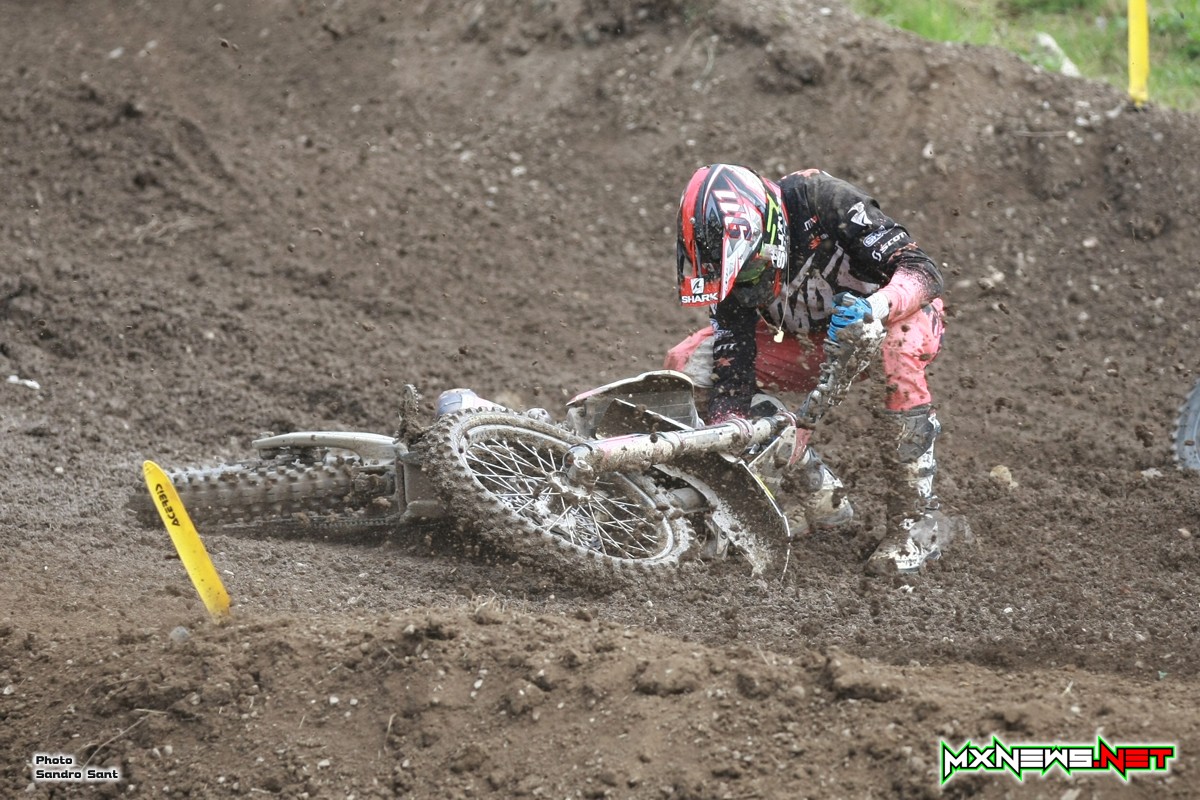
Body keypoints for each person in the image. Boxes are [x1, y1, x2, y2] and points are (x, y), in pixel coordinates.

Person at [665, 164, 946, 574]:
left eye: (750, 271)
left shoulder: (821, 200)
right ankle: (817, 494)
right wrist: (733, 442)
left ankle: (916, 523)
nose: (744, 288)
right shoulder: (726, 265)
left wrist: (876, 307)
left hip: (891, 321)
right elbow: (732, 367)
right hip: (804, 344)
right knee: (691, 361)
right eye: (732, 279)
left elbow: (923, 271)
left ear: (771, 234)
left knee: (897, 348)